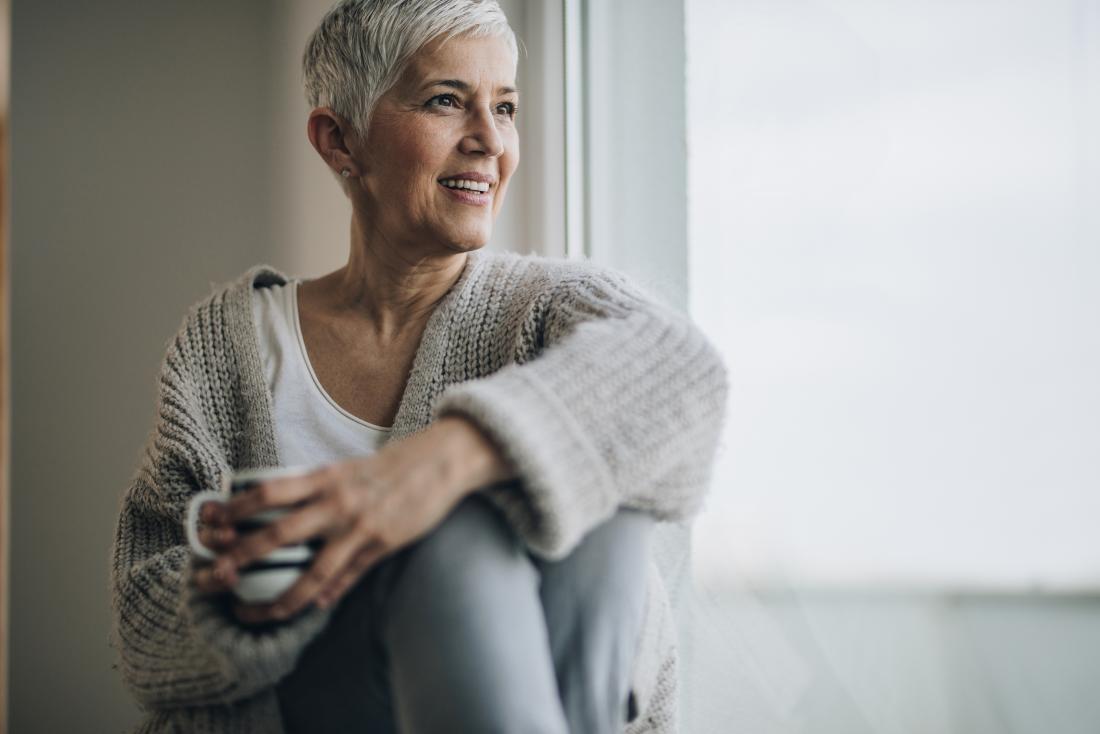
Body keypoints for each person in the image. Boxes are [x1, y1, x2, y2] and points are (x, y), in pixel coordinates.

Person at [109, 1, 727, 732]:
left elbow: (681, 368)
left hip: (554, 699)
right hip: (314, 706)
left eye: (506, 107)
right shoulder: (229, 345)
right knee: (459, 537)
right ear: (341, 140)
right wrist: (317, 566)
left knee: (597, 499)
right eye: (446, 101)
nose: (490, 141)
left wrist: (427, 472)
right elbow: (142, 624)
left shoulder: (549, 307)